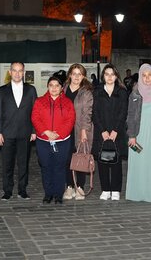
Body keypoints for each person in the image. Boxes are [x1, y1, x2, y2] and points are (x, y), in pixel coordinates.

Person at [0, 61, 38, 200]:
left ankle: (22, 190)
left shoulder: (31, 90)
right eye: (15, 70)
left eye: (20, 71)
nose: (17, 73)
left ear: (23, 72)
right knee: (7, 164)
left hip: (25, 133)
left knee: (23, 163)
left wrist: (34, 130)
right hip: (7, 133)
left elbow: (35, 113)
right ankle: (7, 191)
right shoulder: (2, 90)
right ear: (10, 72)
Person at [31, 74, 75, 204]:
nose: (54, 88)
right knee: (46, 167)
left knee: (59, 167)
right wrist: (46, 132)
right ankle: (48, 194)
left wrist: (58, 134)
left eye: (57, 86)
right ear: (47, 87)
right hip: (44, 141)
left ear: (62, 88)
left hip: (62, 141)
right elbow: (35, 118)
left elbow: (70, 120)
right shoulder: (39, 101)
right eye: (51, 85)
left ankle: (58, 194)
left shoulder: (68, 102)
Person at [126, 64, 151, 202]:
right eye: (144, 75)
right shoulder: (135, 94)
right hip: (139, 133)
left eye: (150, 75)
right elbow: (130, 115)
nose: (147, 78)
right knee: (140, 161)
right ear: (140, 77)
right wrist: (132, 136)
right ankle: (139, 192)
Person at [92, 64, 129, 200]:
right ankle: (106, 189)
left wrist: (115, 131)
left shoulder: (122, 92)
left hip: (116, 133)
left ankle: (116, 189)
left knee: (116, 161)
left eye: (112, 74)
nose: (109, 77)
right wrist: (102, 130)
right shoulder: (97, 91)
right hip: (101, 132)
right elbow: (95, 113)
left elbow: (123, 112)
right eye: (106, 74)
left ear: (116, 76)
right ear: (103, 76)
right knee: (102, 161)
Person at [63, 63, 93, 200]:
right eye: (74, 73)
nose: (76, 77)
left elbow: (88, 113)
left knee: (81, 157)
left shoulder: (86, 92)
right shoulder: (63, 89)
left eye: (79, 74)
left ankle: (79, 187)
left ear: (83, 76)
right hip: (65, 129)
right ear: (69, 75)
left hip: (81, 129)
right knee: (67, 158)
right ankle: (69, 187)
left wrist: (84, 130)